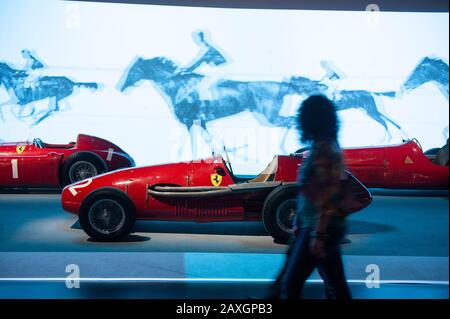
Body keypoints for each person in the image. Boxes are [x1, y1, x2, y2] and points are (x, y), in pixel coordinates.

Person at [279, 95, 352, 299]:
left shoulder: (324, 149)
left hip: (320, 228)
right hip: (317, 226)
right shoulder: (325, 145)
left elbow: (327, 196)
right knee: (335, 286)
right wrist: (299, 220)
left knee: (292, 286)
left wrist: (318, 236)